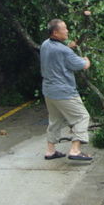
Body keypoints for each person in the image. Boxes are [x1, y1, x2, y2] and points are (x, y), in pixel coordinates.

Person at [40, 18, 93, 161]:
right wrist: (87, 60)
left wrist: (69, 47)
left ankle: (50, 151)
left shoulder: (45, 45)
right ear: (56, 33)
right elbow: (82, 65)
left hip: (49, 91)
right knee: (82, 117)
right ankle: (75, 150)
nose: (67, 30)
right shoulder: (64, 51)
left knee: (55, 120)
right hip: (64, 92)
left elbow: (58, 53)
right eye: (64, 28)